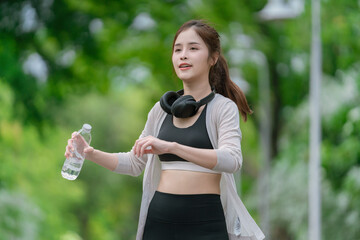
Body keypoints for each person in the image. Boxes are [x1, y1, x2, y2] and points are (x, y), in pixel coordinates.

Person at [65, 19, 265, 240]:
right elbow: (134, 163)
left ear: (213, 57)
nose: (183, 55)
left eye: (193, 48)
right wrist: (89, 153)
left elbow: (232, 160)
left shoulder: (222, 108)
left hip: (206, 222)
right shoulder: (161, 111)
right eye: (177, 49)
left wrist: (172, 147)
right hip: (159, 222)